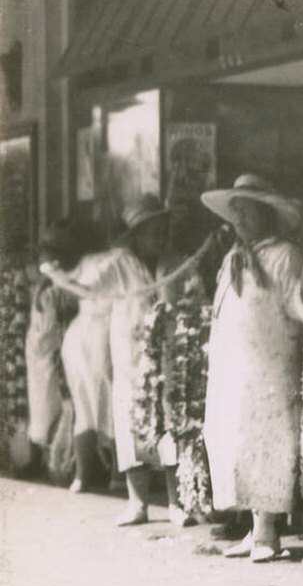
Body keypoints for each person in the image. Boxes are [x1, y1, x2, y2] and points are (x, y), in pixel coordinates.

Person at [42, 196, 198, 527]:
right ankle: (138, 503)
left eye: (163, 229)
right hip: (130, 359)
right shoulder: (119, 264)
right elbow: (86, 287)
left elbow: (191, 297)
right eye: (153, 231)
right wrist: (57, 274)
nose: (160, 236)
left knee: (171, 427)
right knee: (130, 427)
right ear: (137, 234)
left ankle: (176, 503)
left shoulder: (173, 262)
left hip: (169, 358)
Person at [201, 174, 303, 562]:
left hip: (270, 365)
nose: (240, 220)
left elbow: (302, 308)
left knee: (268, 441)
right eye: (236, 213)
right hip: (235, 367)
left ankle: (268, 532)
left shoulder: (285, 256)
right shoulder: (233, 257)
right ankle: (254, 526)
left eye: (247, 211)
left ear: (266, 213)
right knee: (237, 440)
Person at [56, 226, 115, 493]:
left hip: (87, 334)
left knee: (92, 405)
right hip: (93, 336)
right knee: (103, 403)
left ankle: (89, 475)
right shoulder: (103, 262)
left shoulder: (89, 263)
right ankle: (102, 473)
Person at [25, 222, 81, 481]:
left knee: (48, 407)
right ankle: (52, 459)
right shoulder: (50, 290)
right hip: (46, 352)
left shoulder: (49, 289)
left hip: (45, 351)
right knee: (49, 406)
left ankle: (52, 458)